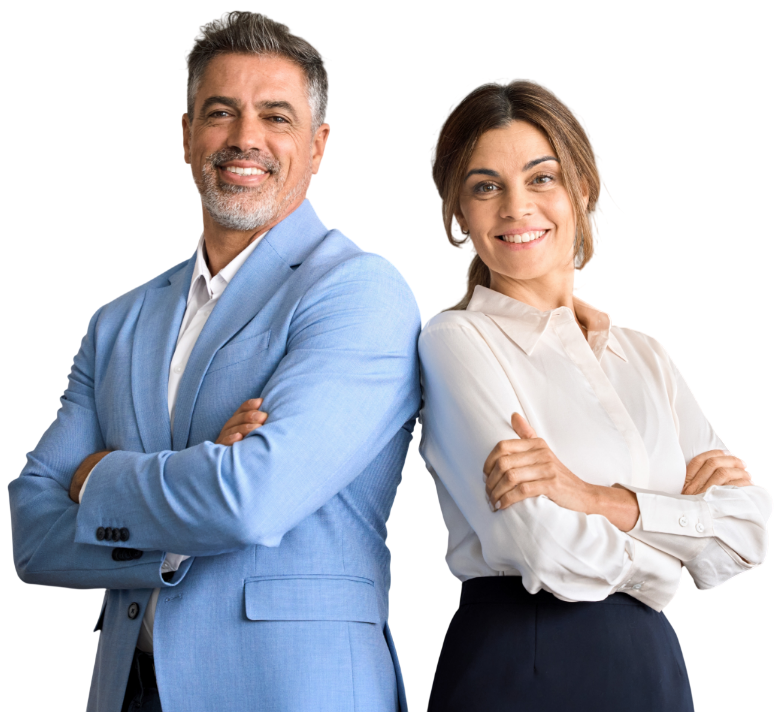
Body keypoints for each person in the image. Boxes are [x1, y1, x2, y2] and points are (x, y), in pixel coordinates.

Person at [9, 11, 420, 712]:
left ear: (318, 146)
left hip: (292, 693)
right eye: (220, 112)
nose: (243, 139)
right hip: (127, 692)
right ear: (185, 136)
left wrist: (95, 475)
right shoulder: (118, 320)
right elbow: (29, 531)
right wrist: (188, 504)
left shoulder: (359, 289)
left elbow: (249, 500)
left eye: (275, 117)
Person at [417, 77, 772, 711]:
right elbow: (542, 548)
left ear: (583, 189)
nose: (515, 207)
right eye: (485, 186)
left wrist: (590, 497)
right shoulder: (457, 340)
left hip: (653, 666)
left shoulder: (645, 355)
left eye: (541, 177)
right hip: (524, 659)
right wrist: (672, 559)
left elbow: (746, 535)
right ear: (458, 216)